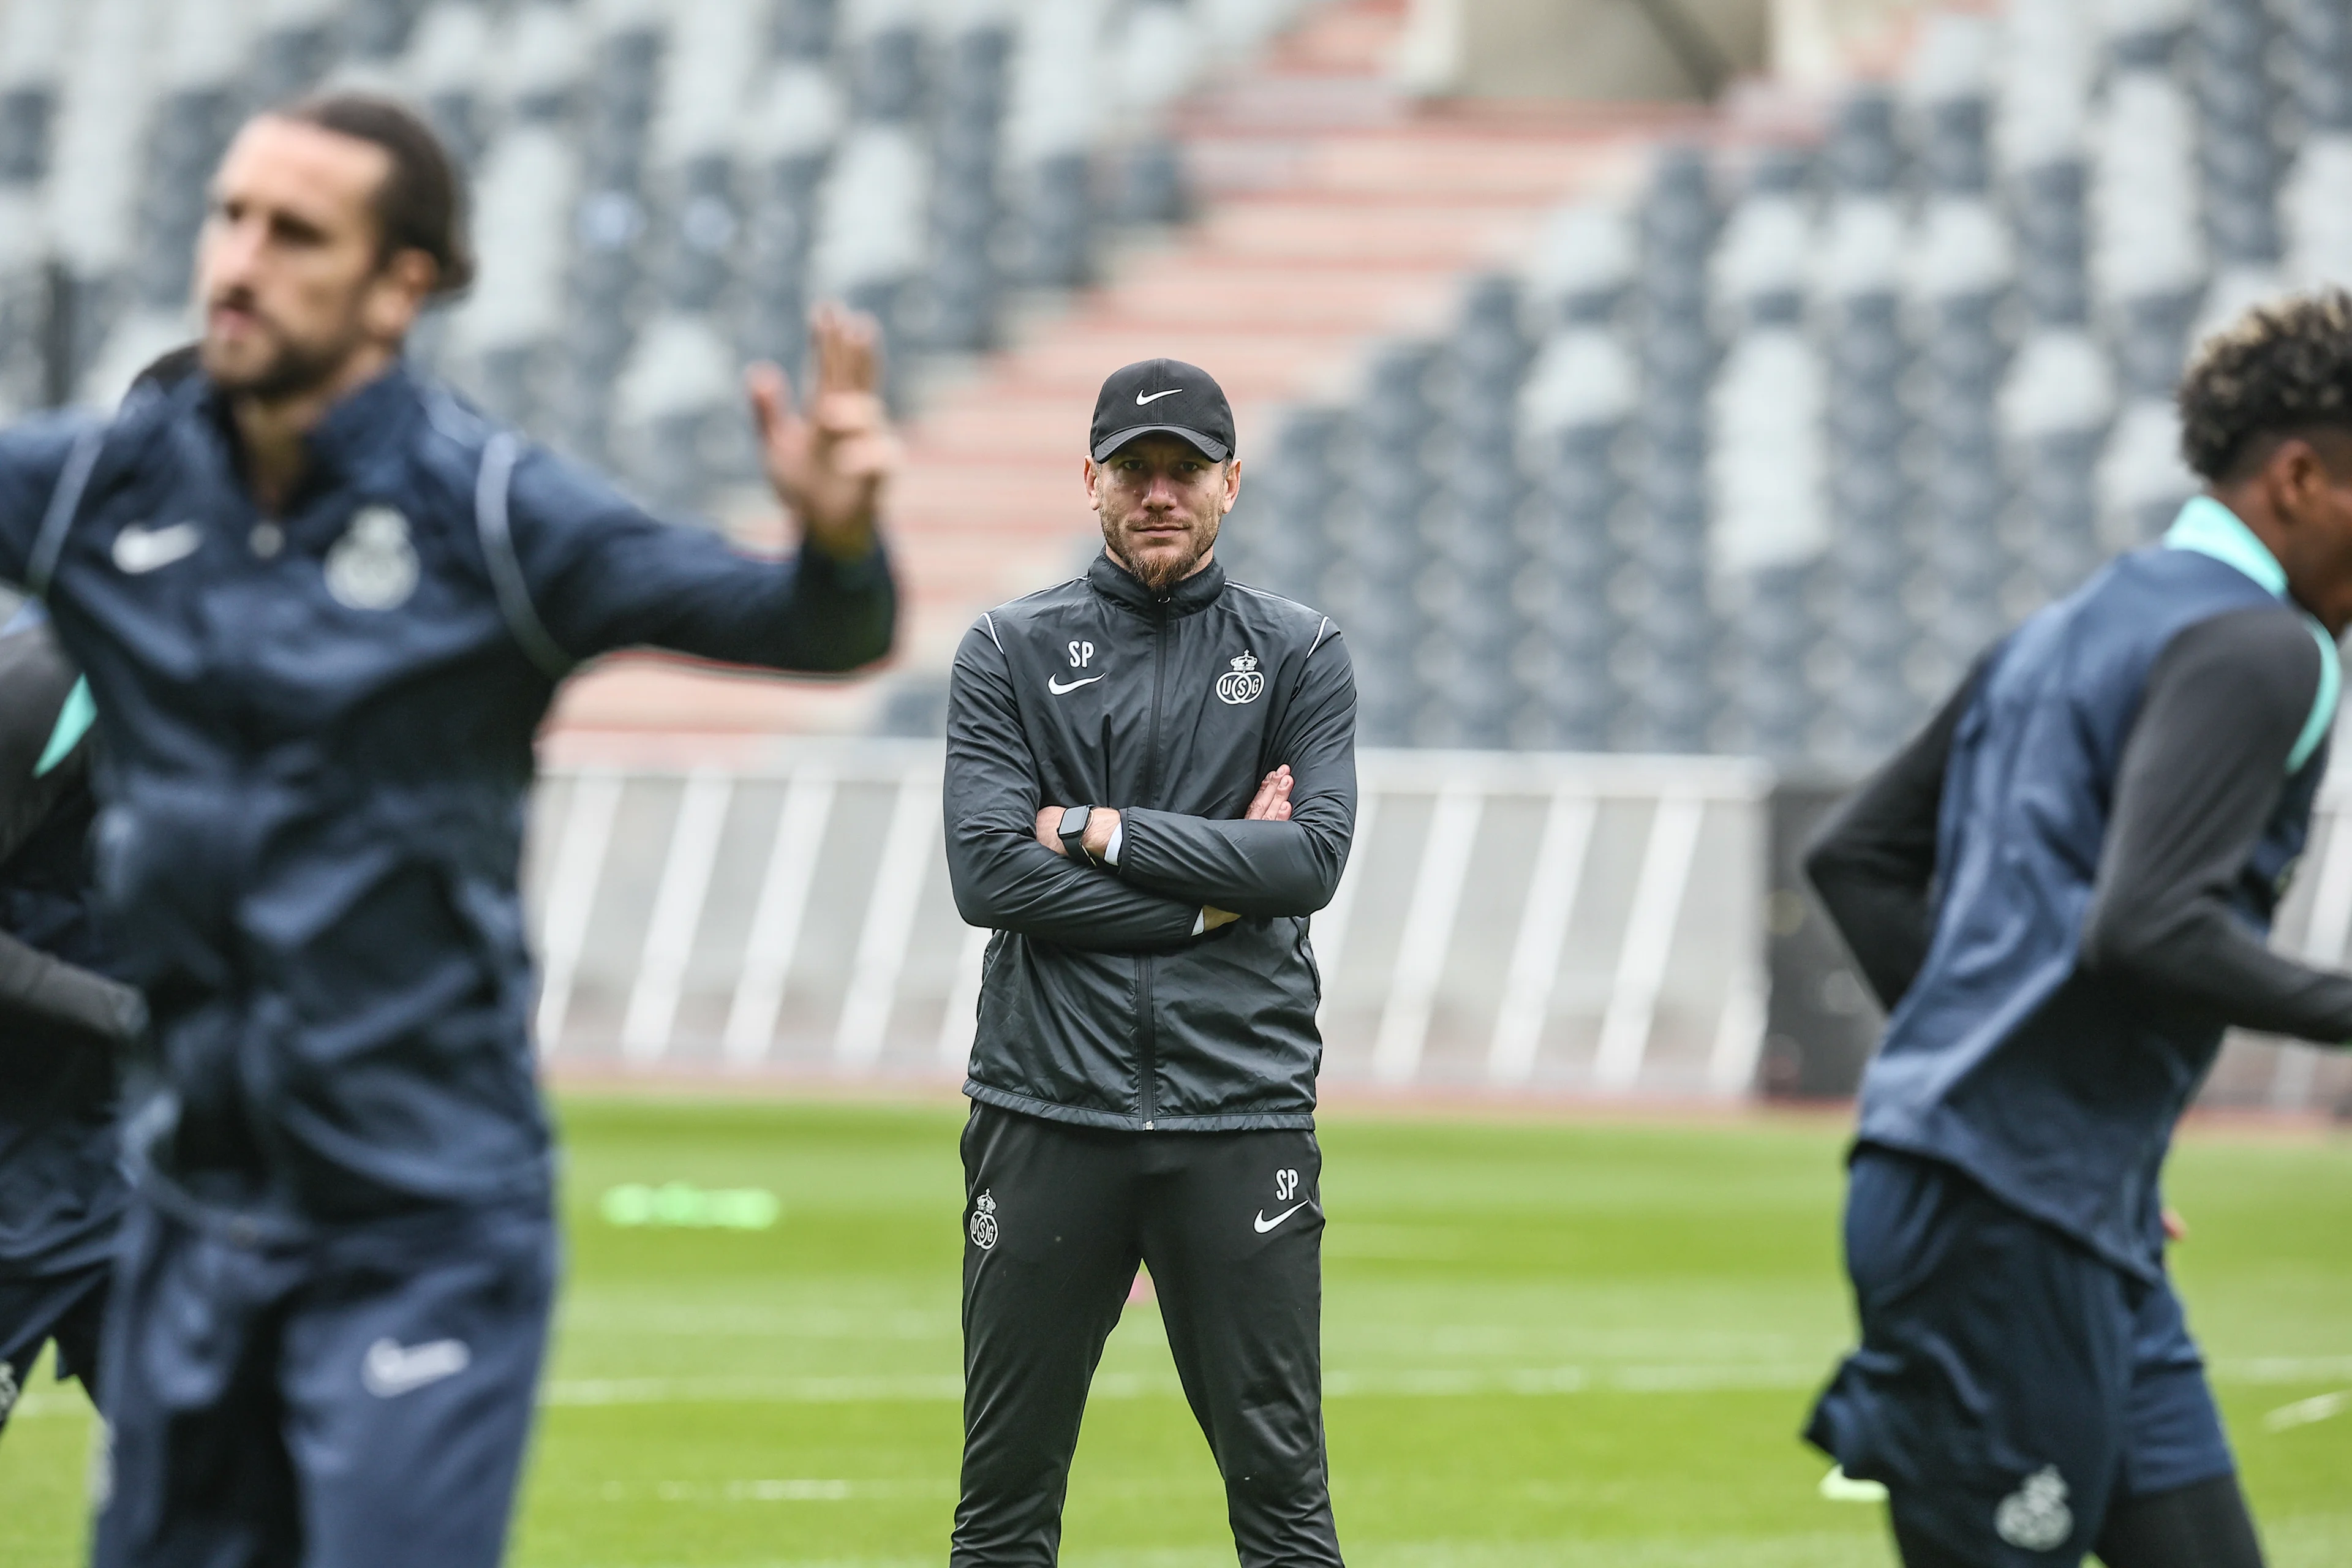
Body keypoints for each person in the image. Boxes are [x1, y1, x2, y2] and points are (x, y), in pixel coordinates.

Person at [0, 92, 895, 1566]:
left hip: (417, 1212)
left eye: (297, 234)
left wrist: (841, 545)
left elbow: (804, 624)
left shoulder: (488, 513)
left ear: (401, 282)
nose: (240, 259)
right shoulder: (109, 486)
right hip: (186, 1200)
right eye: (231, 217)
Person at [1801, 292, 2352, 1568]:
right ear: (2301, 475)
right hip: (2001, 1227)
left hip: (2053, 1203)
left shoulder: (2064, 626)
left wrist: (2018, 1092)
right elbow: (2148, 925)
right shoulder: (2266, 645)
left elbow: (1860, 859)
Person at [942, 358, 1357, 1567]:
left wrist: (1096, 827)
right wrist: (1209, 897)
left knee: (1283, 1499)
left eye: (1185, 469)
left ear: (1232, 480)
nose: (1160, 492)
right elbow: (988, 878)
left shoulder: (1299, 652)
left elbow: (1311, 859)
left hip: (1240, 1114)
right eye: (1135, 469)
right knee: (1003, 1499)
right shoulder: (1007, 648)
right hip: (1043, 1107)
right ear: (1092, 481)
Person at [0, 609, 146, 1439]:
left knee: (240, 1503)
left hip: (135, 1167)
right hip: (15, 1164)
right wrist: (133, 1017)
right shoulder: (40, 683)